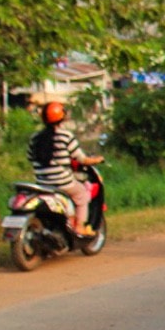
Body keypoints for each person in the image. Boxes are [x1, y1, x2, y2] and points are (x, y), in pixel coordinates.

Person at [28, 101, 104, 237]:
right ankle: (80, 227)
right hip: (62, 183)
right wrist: (97, 160)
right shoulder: (65, 136)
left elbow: (30, 157)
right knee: (82, 194)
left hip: (42, 184)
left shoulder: (35, 138)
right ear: (62, 117)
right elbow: (82, 159)